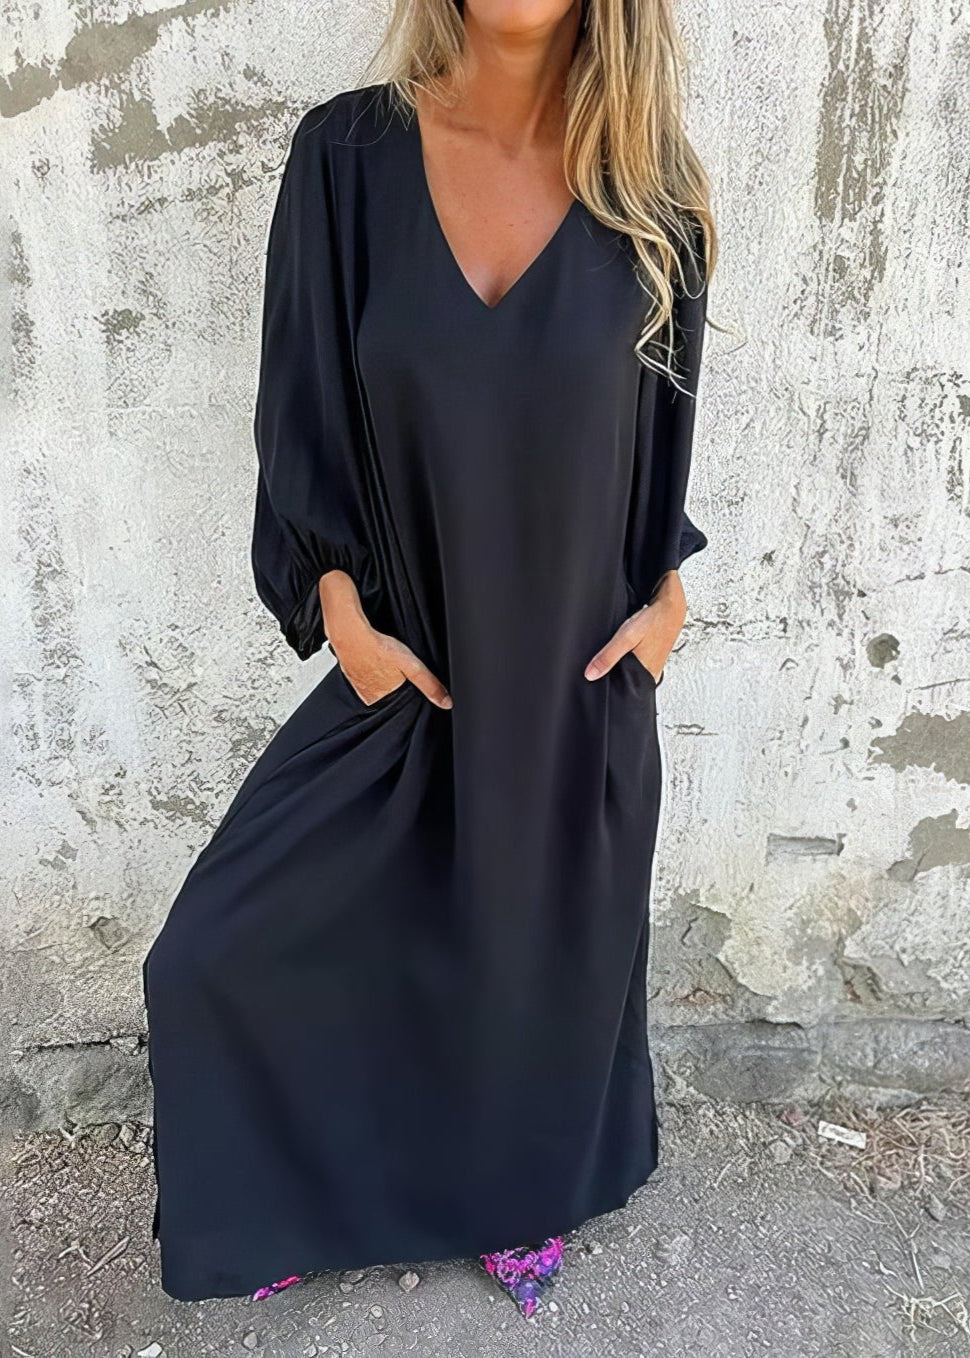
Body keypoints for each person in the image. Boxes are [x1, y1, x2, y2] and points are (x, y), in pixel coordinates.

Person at [142, 0, 717, 1323]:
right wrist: (337, 607)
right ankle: (285, 1191)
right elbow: (299, 409)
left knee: (529, 971)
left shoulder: (656, 195)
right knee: (209, 956)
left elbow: (661, 447)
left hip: (572, 689)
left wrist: (668, 598)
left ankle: (516, 1192)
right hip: (408, 668)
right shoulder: (346, 161)